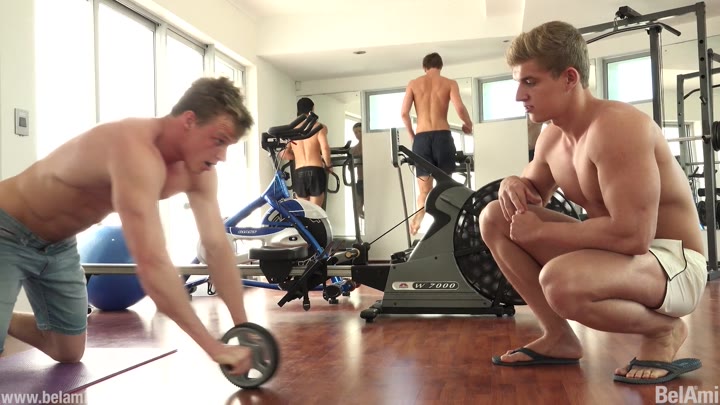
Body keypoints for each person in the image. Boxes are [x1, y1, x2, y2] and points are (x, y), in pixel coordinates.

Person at [479, 21, 706, 384]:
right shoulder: (552, 138)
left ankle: (663, 331)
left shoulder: (617, 128)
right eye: (518, 83)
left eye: (530, 82)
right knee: (494, 216)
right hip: (621, 256)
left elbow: (633, 236)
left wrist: (541, 232)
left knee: (560, 281)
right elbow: (529, 194)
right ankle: (558, 337)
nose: (519, 96)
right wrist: (512, 183)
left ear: (569, 78)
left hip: (673, 264)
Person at [0, 77, 256, 376]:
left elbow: (216, 247)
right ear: (189, 120)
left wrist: (244, 329)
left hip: (59, 246)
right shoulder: (132, 148)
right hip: (6, 230)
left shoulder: (199, 171)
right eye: (219, 140)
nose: (222, 156)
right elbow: (151, 262)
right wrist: (214, 348)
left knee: (67, 350)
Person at [400, 52, 473, 235]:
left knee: (424, 190)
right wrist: (468, 124)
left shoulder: (414, 84)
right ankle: (448, 226)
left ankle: (418, 217)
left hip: (421, 138)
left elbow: (404, 113)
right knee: (445, 185)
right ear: (440, 66)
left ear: (424, 67)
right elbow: (459, 107)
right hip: (442, 137)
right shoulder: (449, 83)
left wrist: (413, 136)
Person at [280, 97, 333, 208]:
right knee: (316, 211)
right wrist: (328, 165)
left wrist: (297, 156)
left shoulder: (292, 130)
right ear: (312, 109)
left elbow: (283, 154)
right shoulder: (319, 127)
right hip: (316, 170)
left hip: (299, 173)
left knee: (304, 211)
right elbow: (325, 148)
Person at [350, 122, 364, 218]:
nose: (357, 134)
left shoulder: (370, 146)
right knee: (358, 208)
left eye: (359, 131)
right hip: (360, 180)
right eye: (355, 132)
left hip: (370, 179)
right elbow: (350, 166)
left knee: (370, 204)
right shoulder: (354, 149)